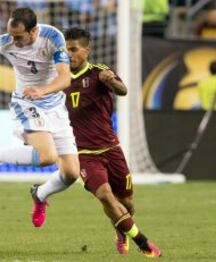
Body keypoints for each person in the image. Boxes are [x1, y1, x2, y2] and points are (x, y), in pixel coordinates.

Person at [0, 7, 80, 228]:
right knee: (47, 156)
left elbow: (65, 78)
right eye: (11, 34)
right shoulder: (6, 41)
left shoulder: (52, 37)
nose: (13, 41)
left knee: (71, 173)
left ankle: (40, 194)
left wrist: (43, 90)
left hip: (54, 105)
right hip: (26, 102)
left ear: (34, 31)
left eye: (18, 36)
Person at [63, 27, 161, 258]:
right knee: (106, 195)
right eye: (66, 49)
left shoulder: (100, 72)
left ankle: (120, 228)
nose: (69, 54)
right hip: (84, 153)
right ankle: (144, 243)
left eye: (74, 49)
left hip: (111, 148)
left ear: (87, 50)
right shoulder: (60, 78)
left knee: (127, 204)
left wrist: (112, 82)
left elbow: (123, 90)